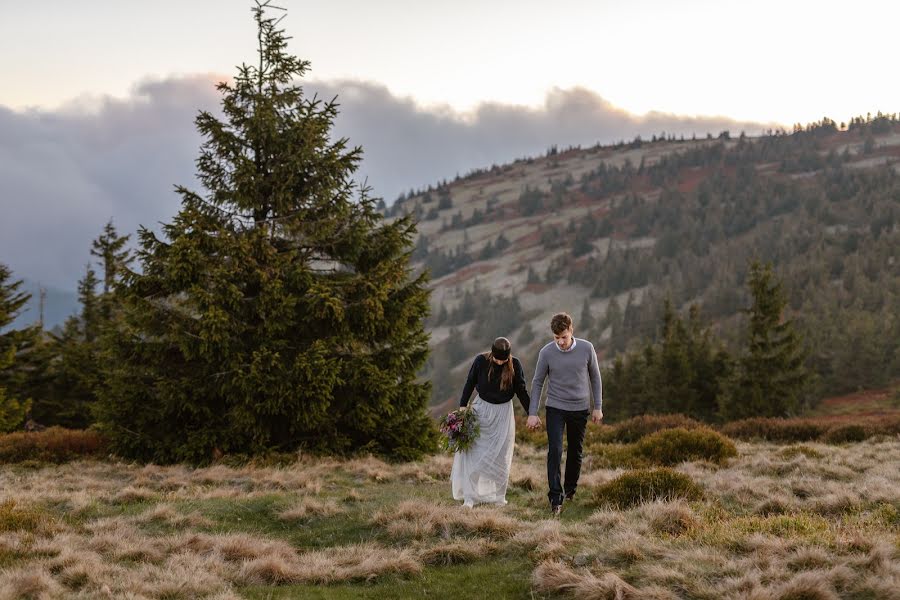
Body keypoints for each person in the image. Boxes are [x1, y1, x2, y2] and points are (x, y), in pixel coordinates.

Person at [527, 312, 602, 515]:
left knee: (575, 451)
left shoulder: (587, 348)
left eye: (563, 337)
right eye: (556, 338)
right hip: (556, 407)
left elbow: (595, 377)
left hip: (580, 408)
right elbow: (537, 382)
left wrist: (598, 407)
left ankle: (570, 490)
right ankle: (555, 498)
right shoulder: (546, 352)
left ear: (571, 331)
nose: (560, 342)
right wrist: (533, 412)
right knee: (555, 450)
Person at [451, 337, 532, 507]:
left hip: (503, 413)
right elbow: (470, 382)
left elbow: (521, 390)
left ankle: (499, 497)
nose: (500, 362)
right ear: (492, 354)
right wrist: (462, 406)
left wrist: (531, 413)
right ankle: (470, 497)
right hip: (481, 410)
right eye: (497, 359)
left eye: (504, 359)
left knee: (501, 453)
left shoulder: (515, 365)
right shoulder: (481, 361)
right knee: (474, 452)